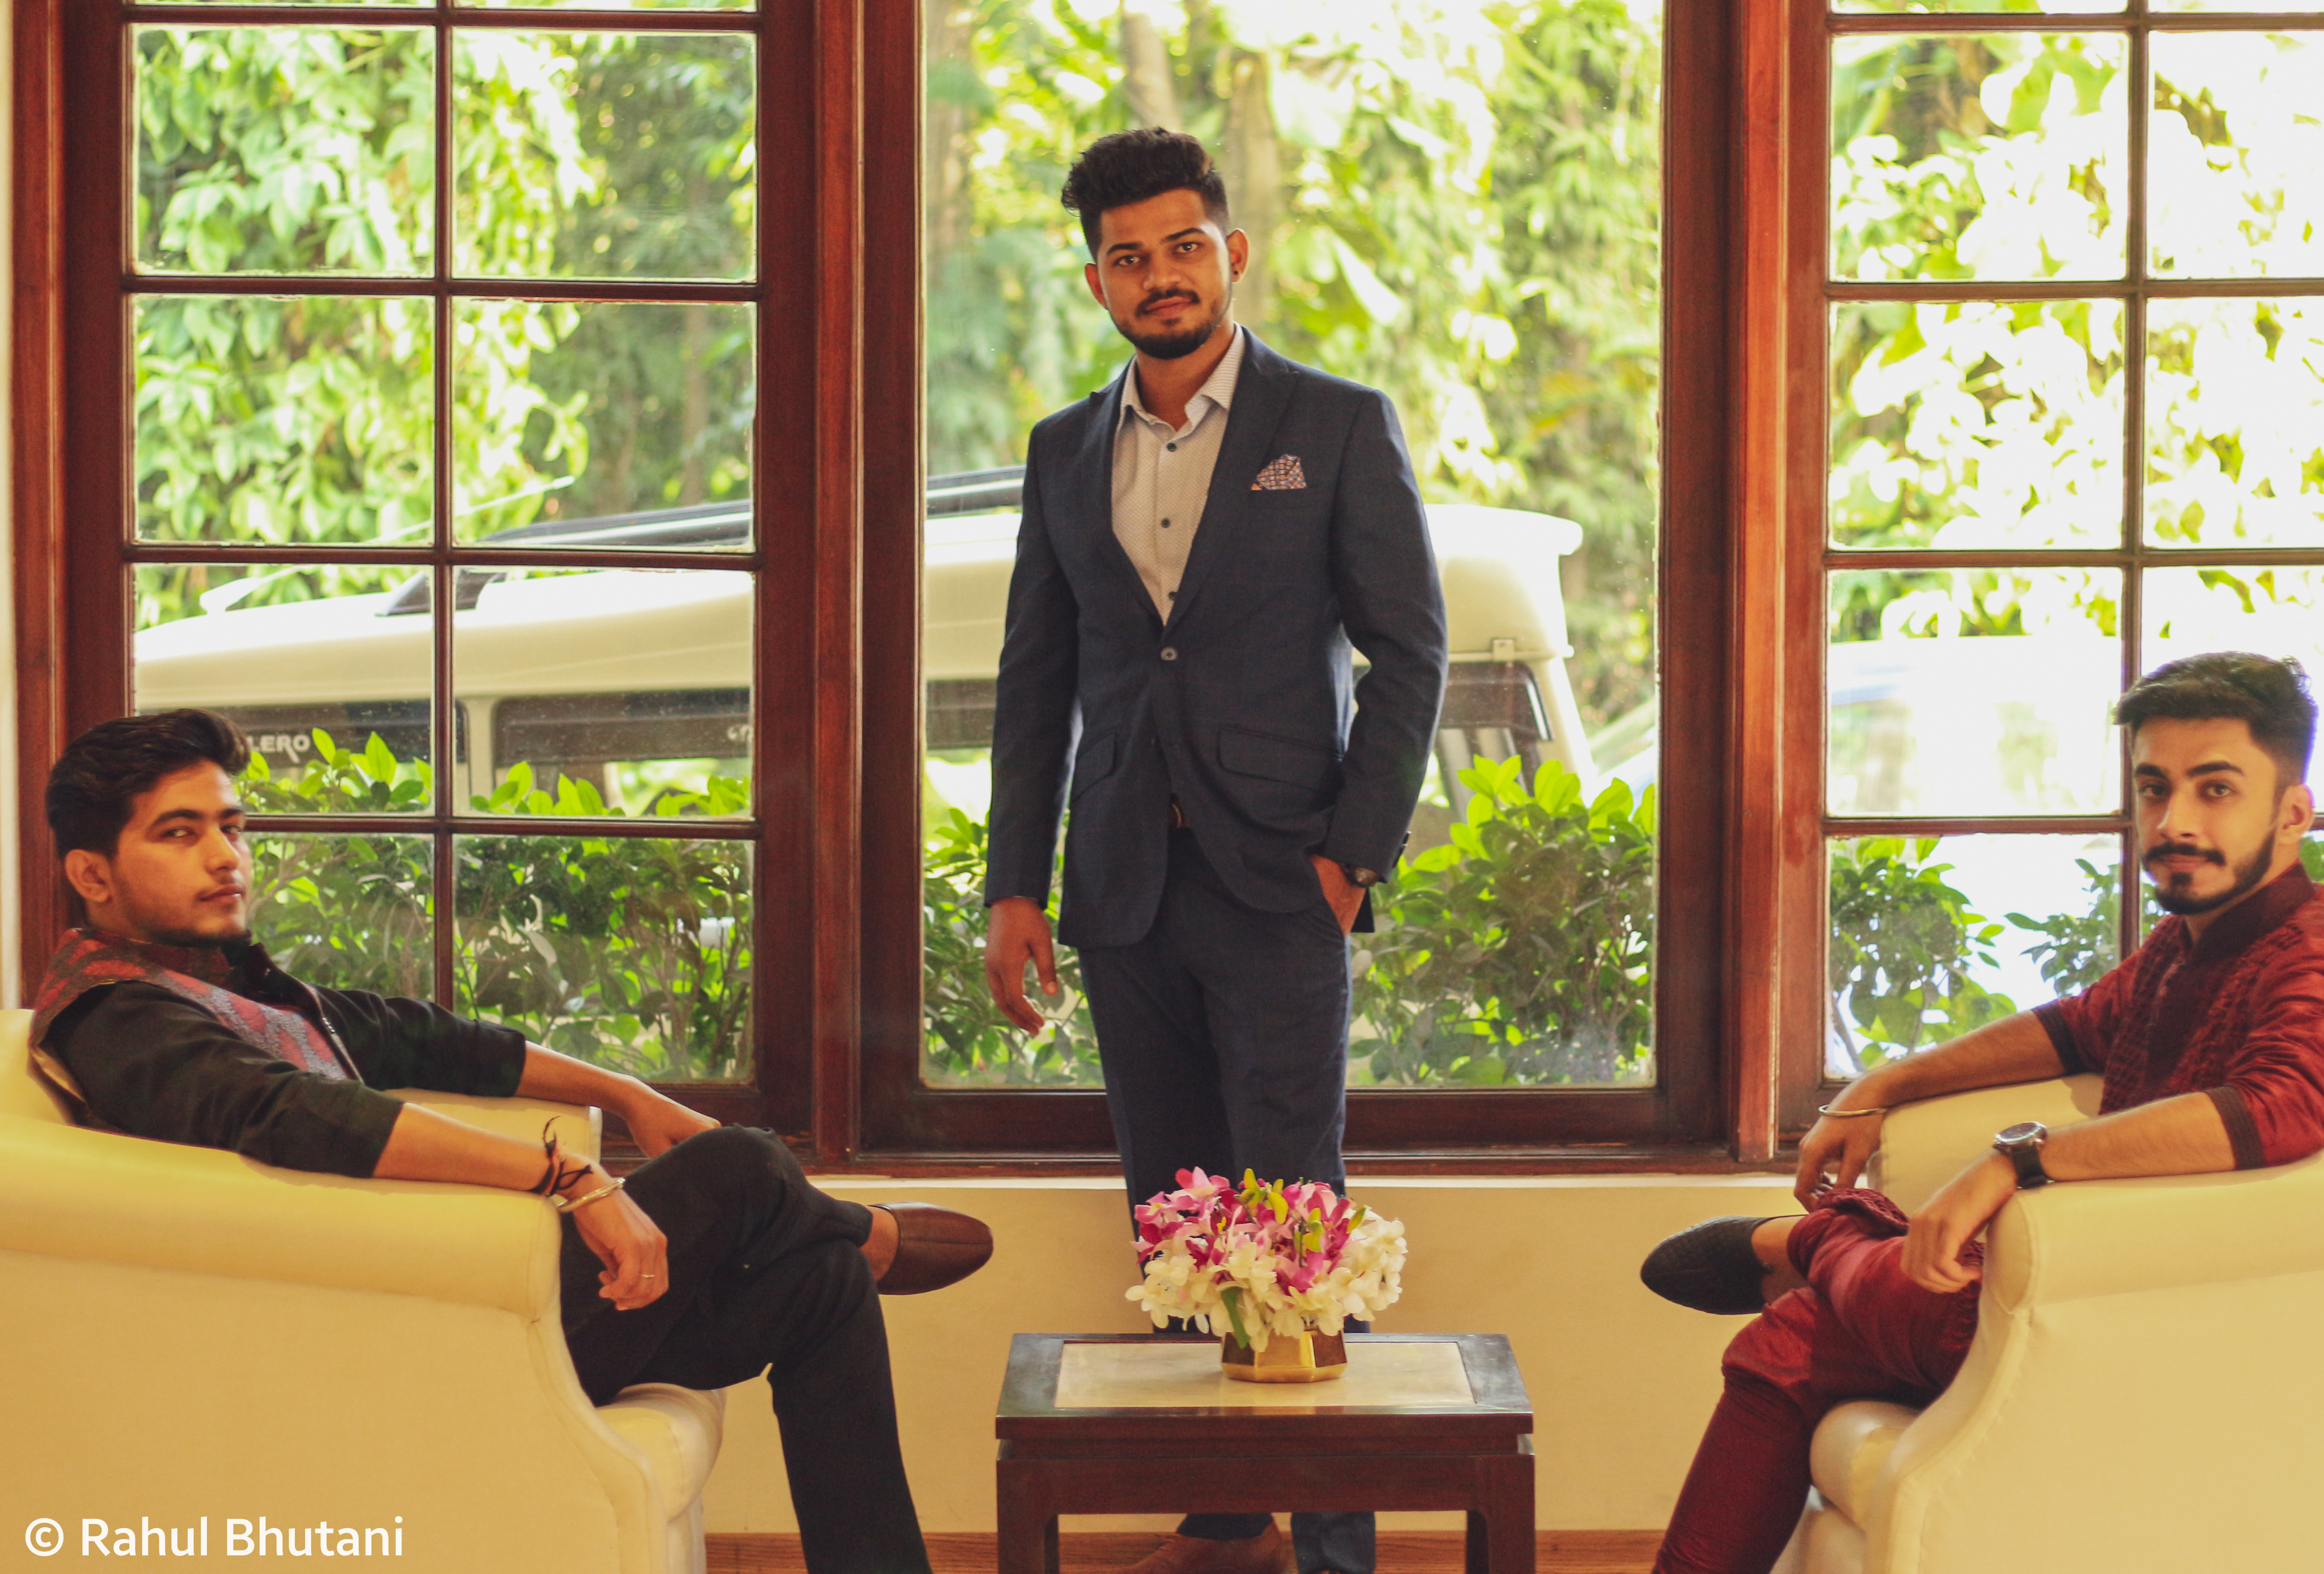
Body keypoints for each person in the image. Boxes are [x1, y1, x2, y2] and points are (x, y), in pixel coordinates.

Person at [28, 710, 994, 1574]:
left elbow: (424, 1037)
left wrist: (624, 1093)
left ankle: (844, 1281)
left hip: (455, 1296)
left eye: (232, 826)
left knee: (820, 1282)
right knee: (743, 1165)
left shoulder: (213, 984)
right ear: (92, 874)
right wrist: (571, 1176)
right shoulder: (120, 1018)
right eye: (180, 833)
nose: (225, 857)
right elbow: (296, 1115)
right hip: (399, 1337)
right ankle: (863, 1230)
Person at [980, 128, 1448, 1574]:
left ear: (1232, 254)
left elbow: (1411, 654)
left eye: (1184, 246)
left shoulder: (1338, 424)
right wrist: (1014, 885)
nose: (1160, 275)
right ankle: (1230, 1508)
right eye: (1129, 257)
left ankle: (1337, 1544)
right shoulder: (1064, 451)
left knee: (1297, 1209)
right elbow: (1034, 681)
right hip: (1124, 885)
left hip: (1280, 881)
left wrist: (1351, 860)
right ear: (1098, 282)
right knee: (1174, 1210)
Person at [1636, 651, 2324, 1574]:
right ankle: (1825, 1243)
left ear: (2293, 813)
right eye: (2154, 789)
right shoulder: (2188, 946)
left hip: (2162, 1329)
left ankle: (1816, 1239)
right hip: (2091, 1291)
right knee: (1788, 1343)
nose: (2175, 822)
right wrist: (1885, 1083)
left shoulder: (2314, 957)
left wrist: (2018, 1161)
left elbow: (2276, 1110)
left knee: (1819, 1319)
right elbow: (2073, 1028)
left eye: (2216, 790)